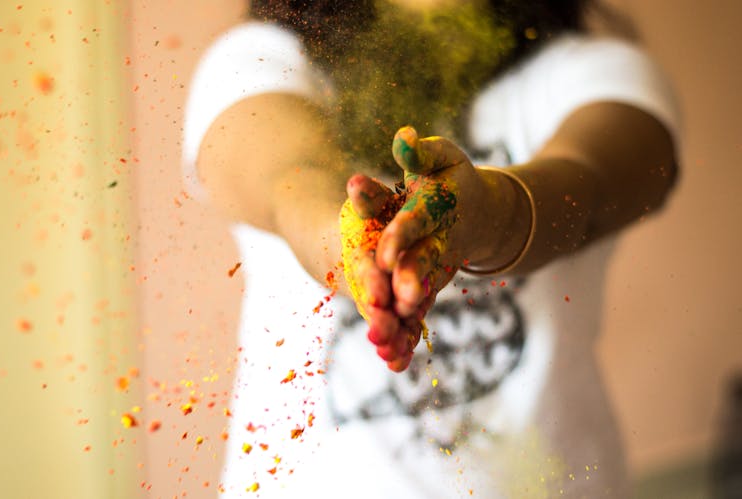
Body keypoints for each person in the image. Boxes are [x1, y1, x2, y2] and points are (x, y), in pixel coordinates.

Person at [182, 0, 680, 496]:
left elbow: (589, 183)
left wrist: (490, 215)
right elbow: (286, 178)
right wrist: (354, 243)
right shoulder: (256, 60)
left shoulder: (597, 70)